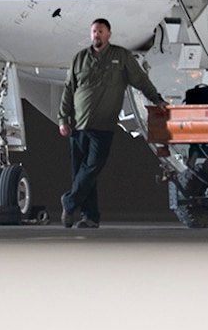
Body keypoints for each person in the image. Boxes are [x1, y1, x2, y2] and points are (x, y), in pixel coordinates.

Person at [57, 17, 166, 228]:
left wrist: (156, 99)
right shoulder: (80, 59)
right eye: (94, 32)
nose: (96, 35)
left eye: (100, 31)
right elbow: (69, 90)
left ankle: (69, 201)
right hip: (79, 125)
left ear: (108, 34)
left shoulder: (121, 56)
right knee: (81, 173)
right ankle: (89, 217)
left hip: (103, 126)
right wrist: (63, 118)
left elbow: (140, 80)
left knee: (93, 167)